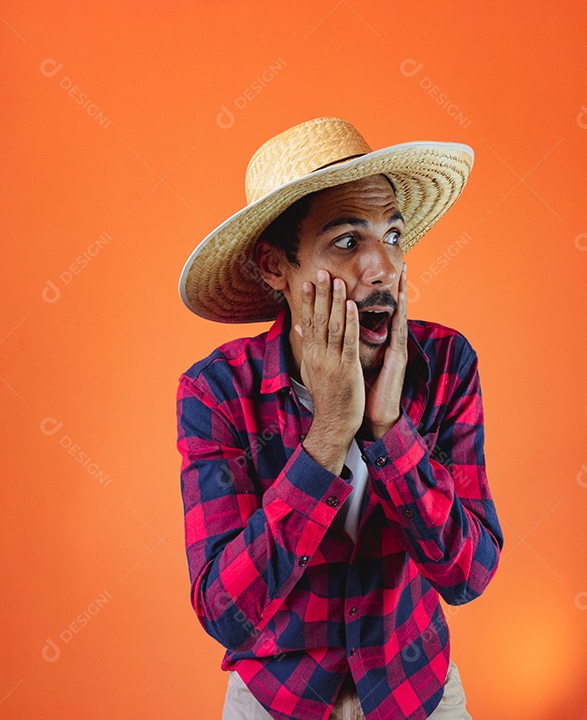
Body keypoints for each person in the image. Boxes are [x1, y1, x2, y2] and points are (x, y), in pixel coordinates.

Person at [176, 116, 502, 720]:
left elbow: (468, 574)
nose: (385, 268)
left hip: (417, 693)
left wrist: (389, 432)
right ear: (277, 268)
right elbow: (225, 612)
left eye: (394, 235)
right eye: (348, 242)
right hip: (276, 702)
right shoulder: (217, 392)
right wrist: (328, 434)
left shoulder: (447, 364)